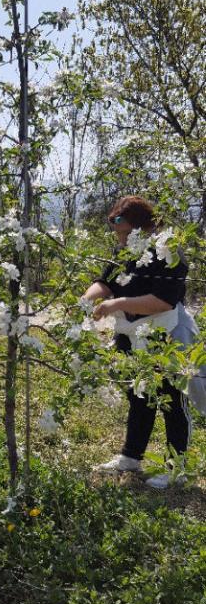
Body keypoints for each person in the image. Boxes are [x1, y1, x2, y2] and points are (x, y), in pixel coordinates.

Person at [82, 195, 192, 489]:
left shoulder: (168, 251)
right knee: (139, 394)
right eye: (118, 234)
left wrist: (116, 304)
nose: (121, 240)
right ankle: (131, 457)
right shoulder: (124, 251)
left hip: (165, 336)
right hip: (131, 335)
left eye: (125, 233)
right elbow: (105, 282)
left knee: (171, 401)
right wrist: (86, 299)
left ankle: (176, 468)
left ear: (143, 227)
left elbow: (163, 301)